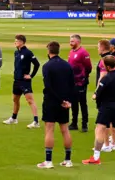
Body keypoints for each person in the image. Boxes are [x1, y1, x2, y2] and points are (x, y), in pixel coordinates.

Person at [83, 55, 115, 165]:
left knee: (99, 129)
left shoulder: (106, 79)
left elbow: (98, 94)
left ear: (107, 66)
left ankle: (96, 157)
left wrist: (96, 99)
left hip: (106, 107)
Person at [36, 41, 75, 169]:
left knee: (49, 129)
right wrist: (67, 101)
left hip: (52, 101)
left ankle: (48, 161)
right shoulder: (67, 65)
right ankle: (68, 160)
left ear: (49, 51)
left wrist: (59, 100)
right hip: (65, 102)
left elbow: (48, 86)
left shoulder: (47, 66)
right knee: (65, 129)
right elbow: (71, 85)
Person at [4, 34, 41, 128]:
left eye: (16, 41)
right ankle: (14, 118)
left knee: (30, 100)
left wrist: (31, 75)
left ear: (21, 42)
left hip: (24, 81)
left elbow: (37, 64)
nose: (15, 42)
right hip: (16, 80)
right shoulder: (16, 53)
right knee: (15, 99)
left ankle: (36, 121)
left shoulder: (28, 52)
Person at [68, 34, 92, 132]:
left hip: (81, 82)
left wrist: (84, 77)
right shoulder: (71, 52)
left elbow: (88, 67)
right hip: (72, 82)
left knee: (82, 103)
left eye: (72, 41)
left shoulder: (83, 52)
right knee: (73, 103)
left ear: (78, 42)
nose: (70, 43)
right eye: (70, 41)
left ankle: (84, 124)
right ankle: (74, 123)